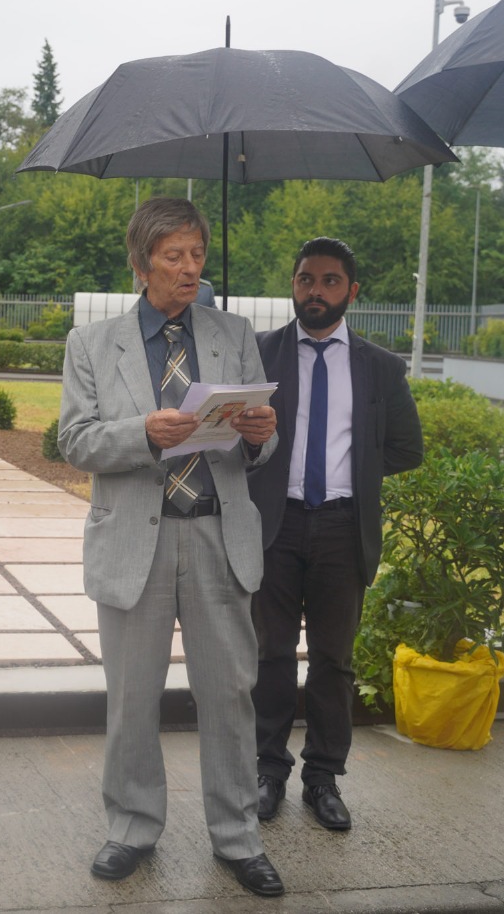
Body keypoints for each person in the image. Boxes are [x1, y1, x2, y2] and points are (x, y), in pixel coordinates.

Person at [57, 197, 284, 898]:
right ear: (141, 263)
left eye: (197, 255)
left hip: (220, 535)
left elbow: (262, 446)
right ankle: (130, 827)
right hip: (135, 543)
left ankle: (238, 836)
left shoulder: (235, 333)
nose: (191, 270)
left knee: (230, 696)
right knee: (132, 699)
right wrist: (142, 435)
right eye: (175, 256)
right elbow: (74, 441)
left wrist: (258, 431)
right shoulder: (91, 345)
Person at [247, 238, 423, 832]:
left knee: (333, 661)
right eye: (304, 279)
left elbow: (406, 448)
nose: (314, 291)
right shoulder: (260, 355)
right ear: (292, 286)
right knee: (270, 654)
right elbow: (232, 440)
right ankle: (267, 770)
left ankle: (323, 778)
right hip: (276, 525)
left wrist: (354, 471)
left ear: (352, 291)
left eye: (328, 281)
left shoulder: (379, 367)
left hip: (343, 529)